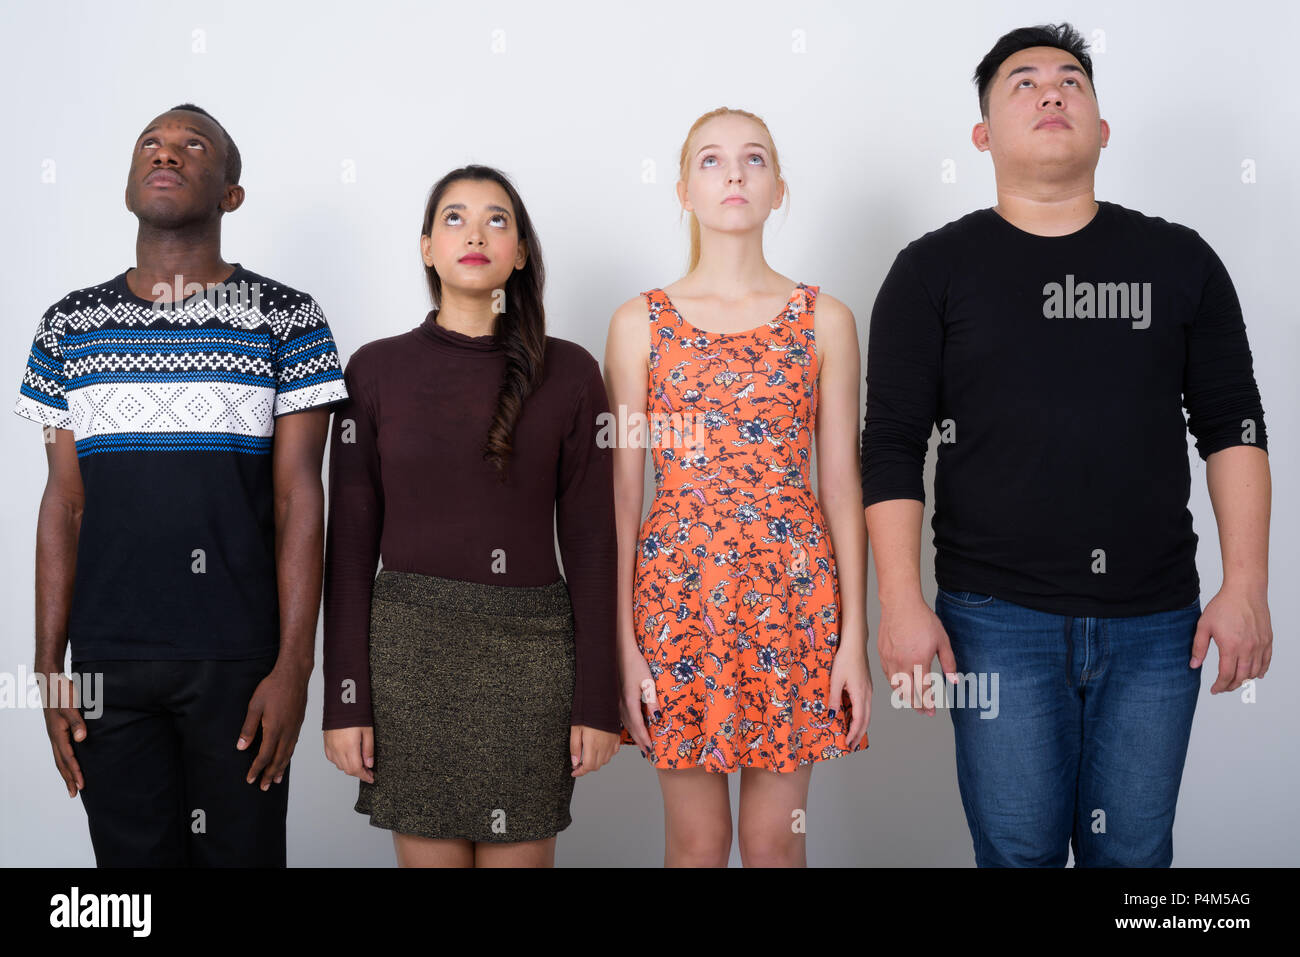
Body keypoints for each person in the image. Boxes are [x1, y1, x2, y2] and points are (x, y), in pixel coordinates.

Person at [861, 23, 1273, 867]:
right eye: (1023, 82)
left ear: (1102, 127)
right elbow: (894, 444)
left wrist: (1248, 585)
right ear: (982, 135)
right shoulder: (931, 270)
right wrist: (900, 602)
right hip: (993, 620)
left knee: (1135, 859)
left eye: (1071, 81)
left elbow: (1233, 421)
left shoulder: (1180, 260)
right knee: (1017, 855)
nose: (1052, 92)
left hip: (1159, 622)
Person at [15, 104, 348, 866]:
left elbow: (301, 498)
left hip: (239, 662)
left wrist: (295, 667)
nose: (167, 153)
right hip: (107, 663)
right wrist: (48, 667)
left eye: (194, 144)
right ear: (131, 180)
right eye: (151, 144)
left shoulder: (287, 319)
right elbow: (63, 503)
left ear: (231, 192)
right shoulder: (69, 326)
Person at [322, 166, 621, 868]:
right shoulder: (373, 371)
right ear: (426, 247)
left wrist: (596, 697)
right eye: (454, 218)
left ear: (520, 252)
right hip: (409, 655)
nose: (476, 233)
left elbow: (592, 542)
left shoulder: (571, 373)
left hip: (534, 656)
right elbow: (350, 550)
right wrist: (345, 700)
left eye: (497, 219)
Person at [606, 107, 871, 868]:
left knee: (773, 844)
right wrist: (624, 644)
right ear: (684, 188)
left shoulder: (826, 319)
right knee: (697, 842)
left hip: (793, 594)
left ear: (779, 188)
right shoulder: (637, 324)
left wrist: (853, 640)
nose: (734, 174)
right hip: (679, 593)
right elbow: (624, 496)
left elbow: (842, 488)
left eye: (755, 159)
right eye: (713, 160)